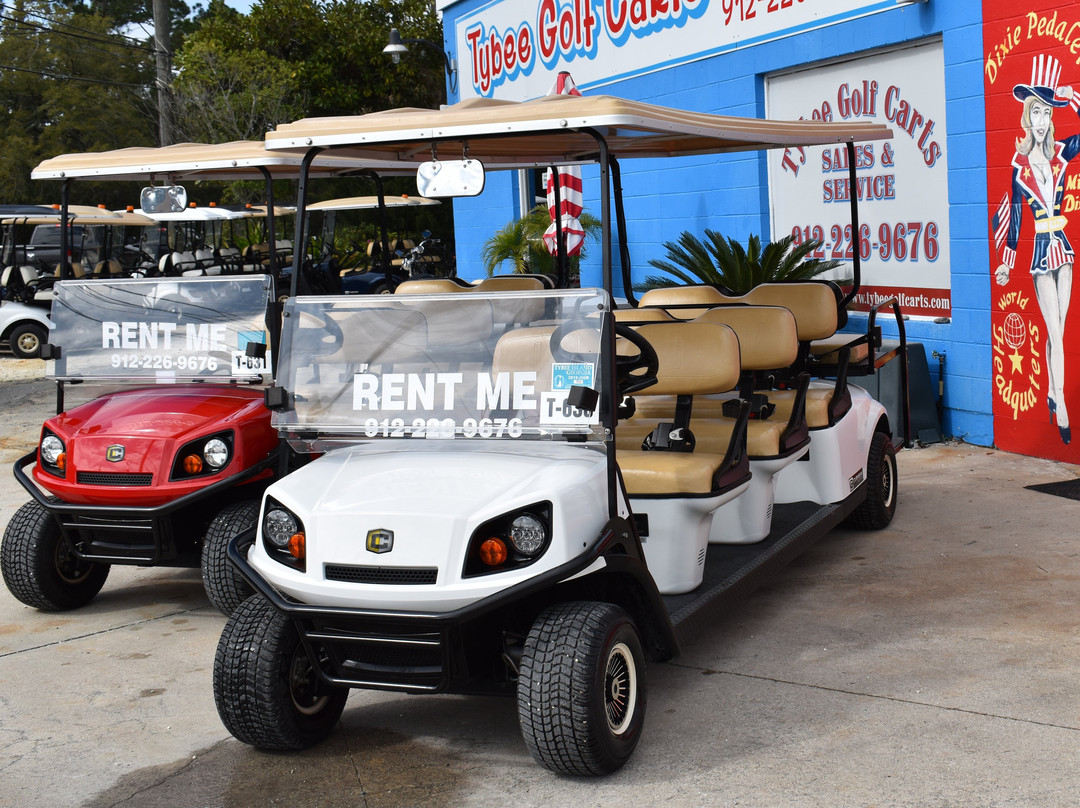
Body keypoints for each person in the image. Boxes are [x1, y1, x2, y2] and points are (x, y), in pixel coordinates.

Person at [995, 55, 1080, 444]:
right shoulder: (1018, 165)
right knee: (1056, 333)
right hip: (1041, 256)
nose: (1042, 120)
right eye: (1036, 113)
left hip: (1064, 248)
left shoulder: (1061, 154)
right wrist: (1006, 264)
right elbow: (1014, 218)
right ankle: (1061, 403)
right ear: (1028, 119)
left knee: (1056, 331)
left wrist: (1073, 97)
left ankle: (1048, 390)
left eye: (1047, 112)